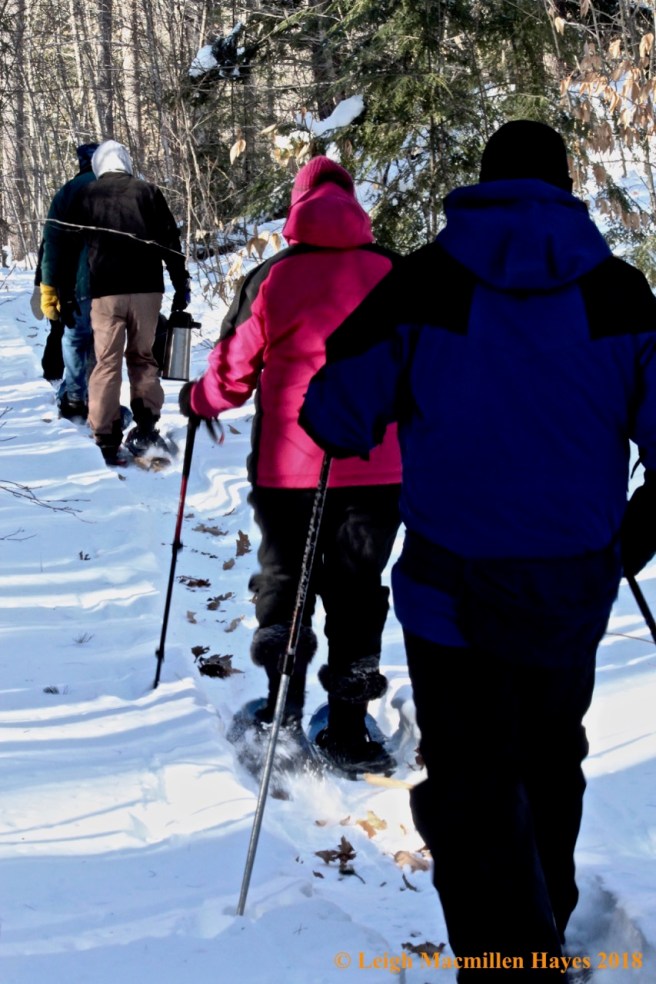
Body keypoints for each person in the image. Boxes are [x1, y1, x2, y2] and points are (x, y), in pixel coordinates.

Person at [299, 121, 656, 977]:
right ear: (566, 188)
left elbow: (336, 414)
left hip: (450, 588)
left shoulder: (425, 283)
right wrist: (628, 543)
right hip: (572, 583)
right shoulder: (619, 292)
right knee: (548, 754)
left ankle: (512, 958)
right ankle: (540, 928)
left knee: (470, 776)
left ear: (483, 185)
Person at [179, 156, 402, 776]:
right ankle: (349, 731)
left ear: (297, 207)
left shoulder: (271, 277)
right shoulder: (393, 273)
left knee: (287, 580)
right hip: (377, 466)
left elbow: (232, 373)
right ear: (354, 206)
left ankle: (280, 719)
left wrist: (197, 400)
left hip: (288, 468)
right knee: (357, 590)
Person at [64, 139, 190, 465]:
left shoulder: (85, 195)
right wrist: (181, 284)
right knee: (142, 357)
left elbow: (69, 248)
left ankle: (106, 439)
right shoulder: (148, 192)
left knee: (106, 362)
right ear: (126, 163)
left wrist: (66, 293)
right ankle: (146, 428)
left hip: (106, 293)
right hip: (147, 290)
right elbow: (170, 242)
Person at [38, 142, 98, 415]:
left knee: (74, 339)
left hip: (75, 284)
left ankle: (75, 398)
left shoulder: (68, 192)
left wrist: (47, 288)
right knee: (102, 344)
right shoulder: (119, 187)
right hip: (116, 284)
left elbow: (51, 244)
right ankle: (98, 398)